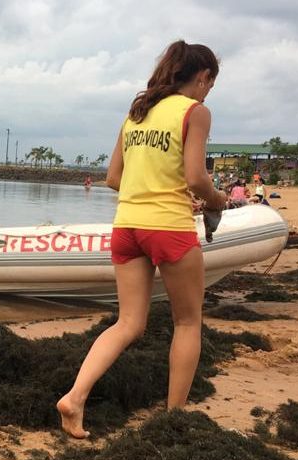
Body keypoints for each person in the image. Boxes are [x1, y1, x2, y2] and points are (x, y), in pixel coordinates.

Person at [56, 40, 227, 438]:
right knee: (187, 322)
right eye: (209, 85)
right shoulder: (195, 112)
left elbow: (113, 178)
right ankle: (172, 422)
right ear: (202, 77)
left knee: (128, 322)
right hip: (168, 227)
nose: (207, 92)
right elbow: (197, 178)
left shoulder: (136, 113)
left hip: (127, 227)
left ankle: (75, 397)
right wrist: (217, 200)